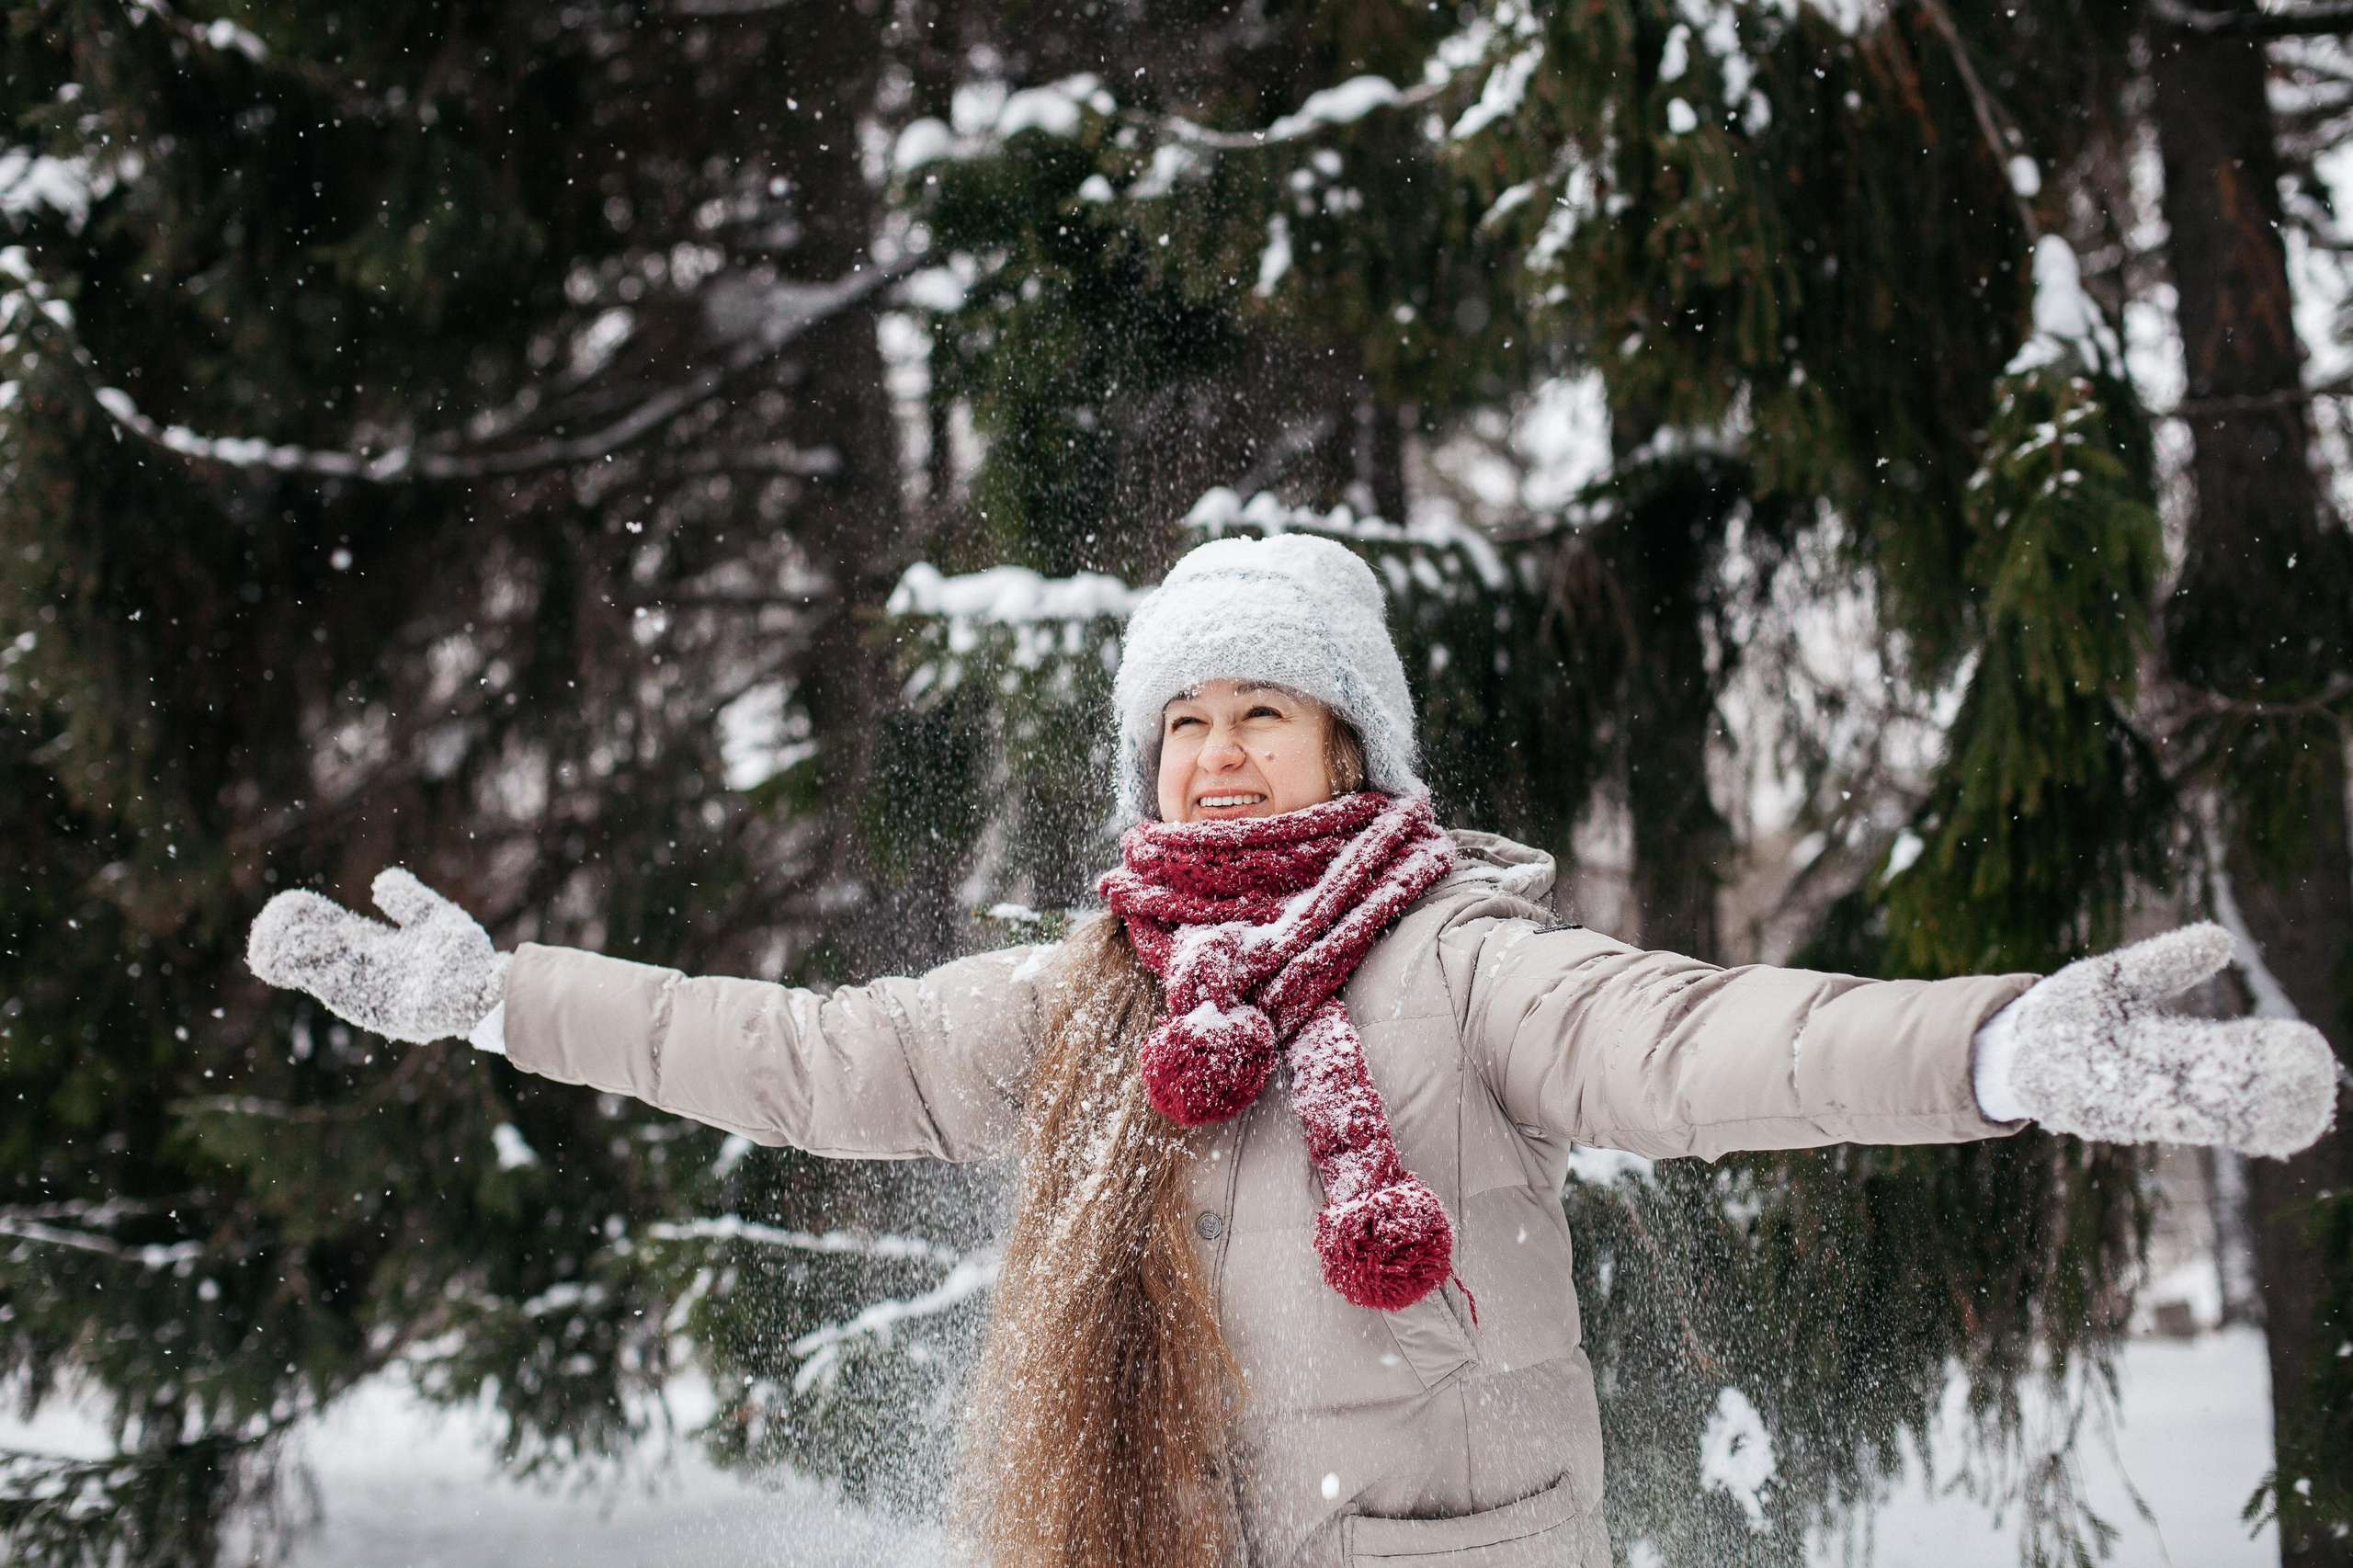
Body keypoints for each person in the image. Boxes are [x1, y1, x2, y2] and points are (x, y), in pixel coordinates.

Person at [247, 533, 2336, 1568]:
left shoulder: (1457, 957)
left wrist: (1993, 1051)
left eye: (1267, 706)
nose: (1220, 747)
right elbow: (796, 1055)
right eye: (1184, 715)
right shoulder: (1086, 998)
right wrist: (502, 994)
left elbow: (1702, 1044)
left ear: (1355, 743)